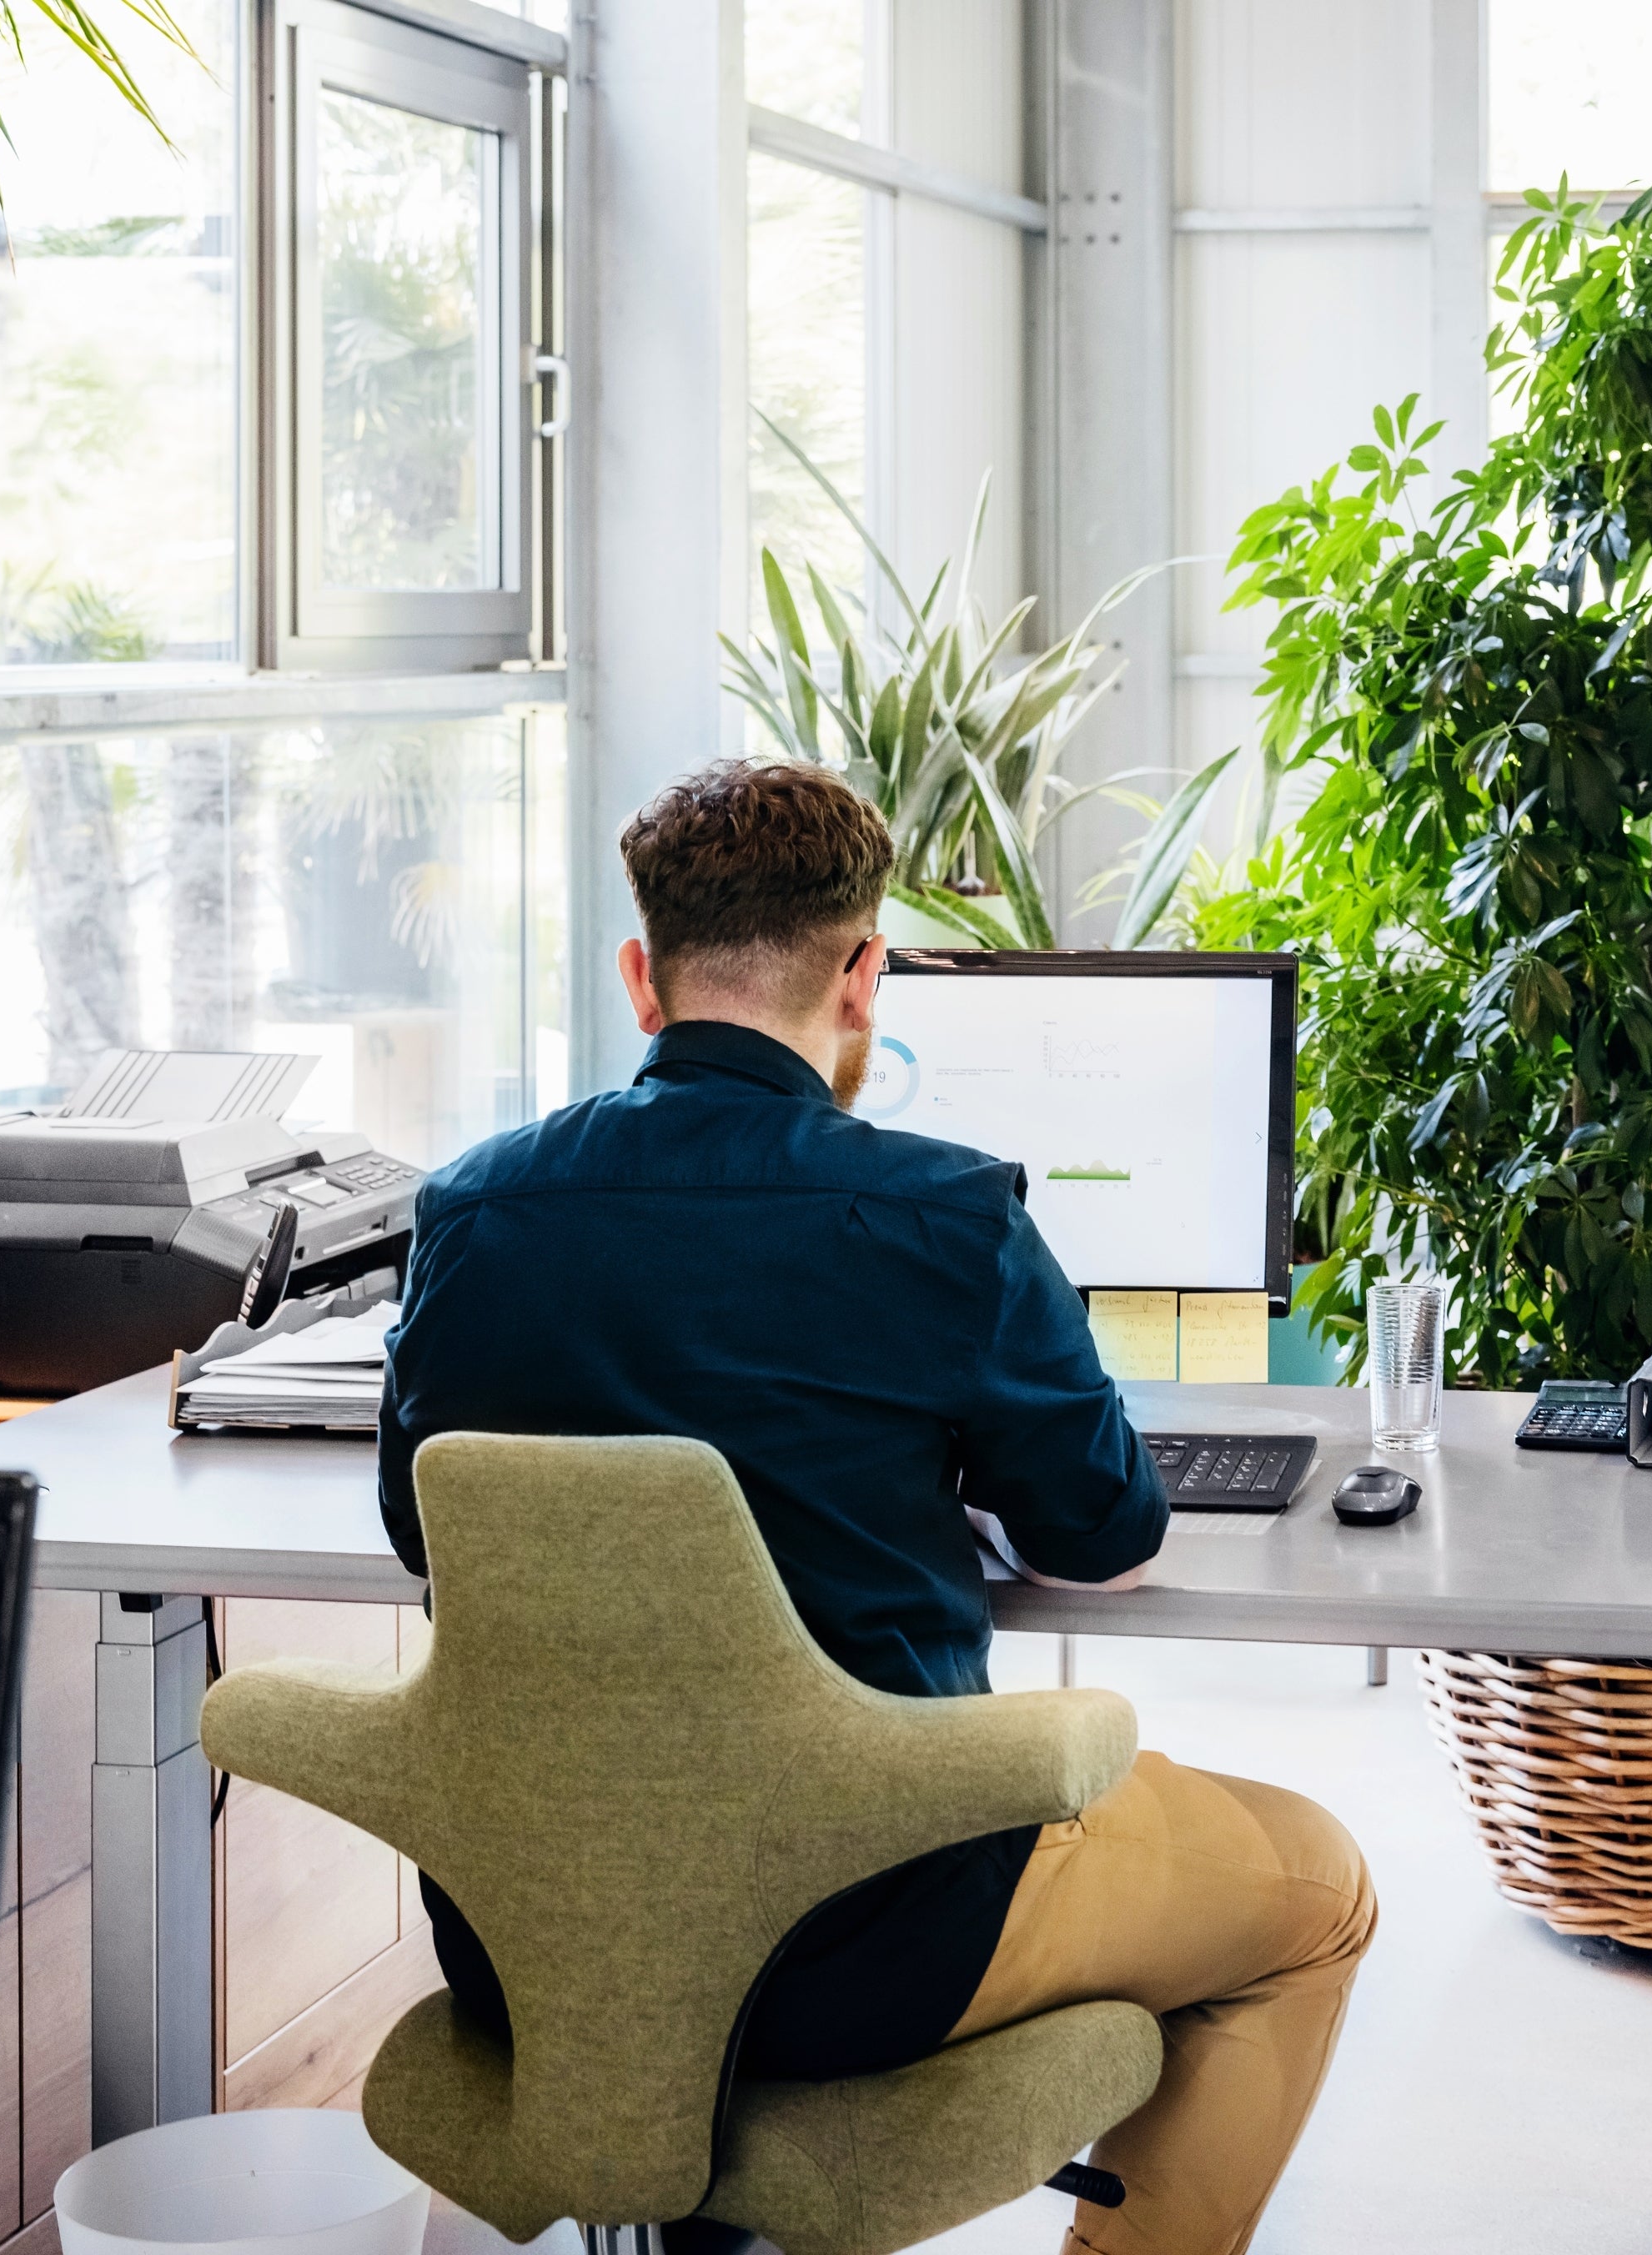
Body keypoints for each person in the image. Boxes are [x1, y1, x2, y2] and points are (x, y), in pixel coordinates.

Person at [378, 760, 1373, 2255]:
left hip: (537, 1939)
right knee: (1316, 1888)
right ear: (863, 973)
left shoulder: (471, 1210)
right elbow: (1098, 1532)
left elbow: (426, 1527)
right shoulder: (944, 1215)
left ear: (642, 976)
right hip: (875, 1933)